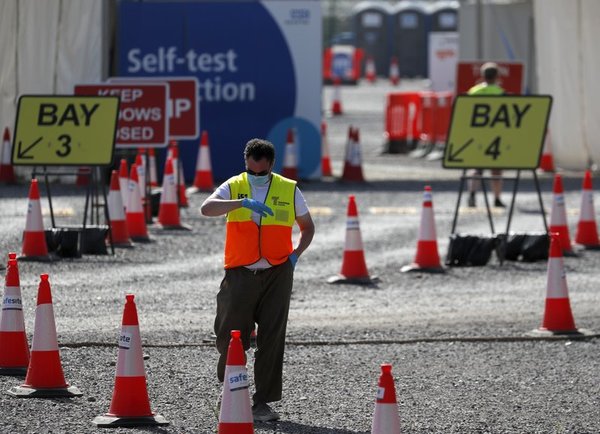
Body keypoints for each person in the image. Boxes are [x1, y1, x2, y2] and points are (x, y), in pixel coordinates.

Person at [200, 138, 315, 422]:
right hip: (240, 272)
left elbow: (308, 226)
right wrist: (241, 202)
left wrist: (295, 255)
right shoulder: (234, 185)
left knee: (272, 337)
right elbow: (206, 208)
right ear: (246, 163)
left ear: (271, 166)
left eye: (261, 173)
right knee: (231, 335)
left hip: (277, 272)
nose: (256, 176)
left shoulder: (289, 189)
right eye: (252, 171)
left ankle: (262, 401)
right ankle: (229, 390)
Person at [467, 62, 506, 208]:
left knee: (476, 167)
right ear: (496, 76)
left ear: (482, 75)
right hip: (495, 135)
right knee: (496, 168)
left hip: (477, 134)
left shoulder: (473, 91)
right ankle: (496, 198)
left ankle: (472, 195)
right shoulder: (500, 92)